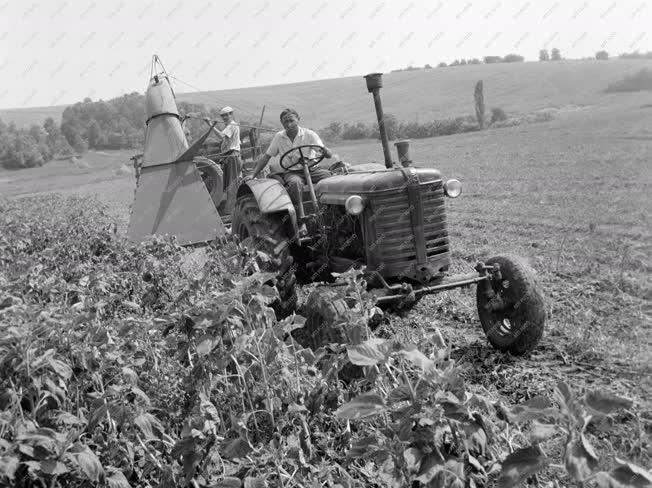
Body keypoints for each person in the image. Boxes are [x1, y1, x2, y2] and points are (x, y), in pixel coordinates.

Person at [248, 108, 336, 231]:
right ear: (281, 122)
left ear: (298, 120)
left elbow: (325, 152)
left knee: (332, 179)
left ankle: (334, 214)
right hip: (292, 172)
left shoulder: (309, 134)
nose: (288, 124)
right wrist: (253, 174)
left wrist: (327, 152)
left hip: (312, 169)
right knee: (295, 184)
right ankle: (301, 221)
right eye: (285, 121)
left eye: (291, 120)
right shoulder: (279, 137)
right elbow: (267, 156)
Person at [205, 106, 242, 212]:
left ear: (231, 114)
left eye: (227, 115)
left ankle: (231, 211)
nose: (225, 117)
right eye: (223, 116)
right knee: (229, 184)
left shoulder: (232, 125)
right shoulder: (230, 126)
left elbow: (221, 136)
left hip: (232, 156)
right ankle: (231, 208)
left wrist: (210, 124)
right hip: (229, 157)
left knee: (232, 184)